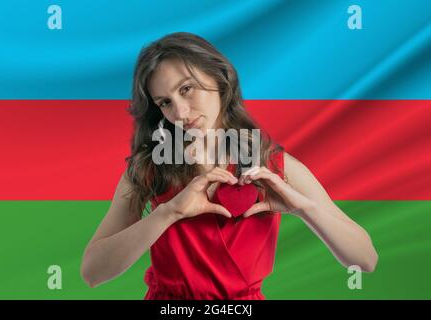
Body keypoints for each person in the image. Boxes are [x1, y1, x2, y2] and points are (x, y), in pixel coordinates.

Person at [80, 32, 378, 300]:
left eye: (186, 89)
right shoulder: (150, 168)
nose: (180, 112)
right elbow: (93, 272)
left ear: (220, 78)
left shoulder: (274, 165)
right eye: (165, 102)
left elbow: (365, 260)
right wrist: (168, 213)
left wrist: (305, 210)